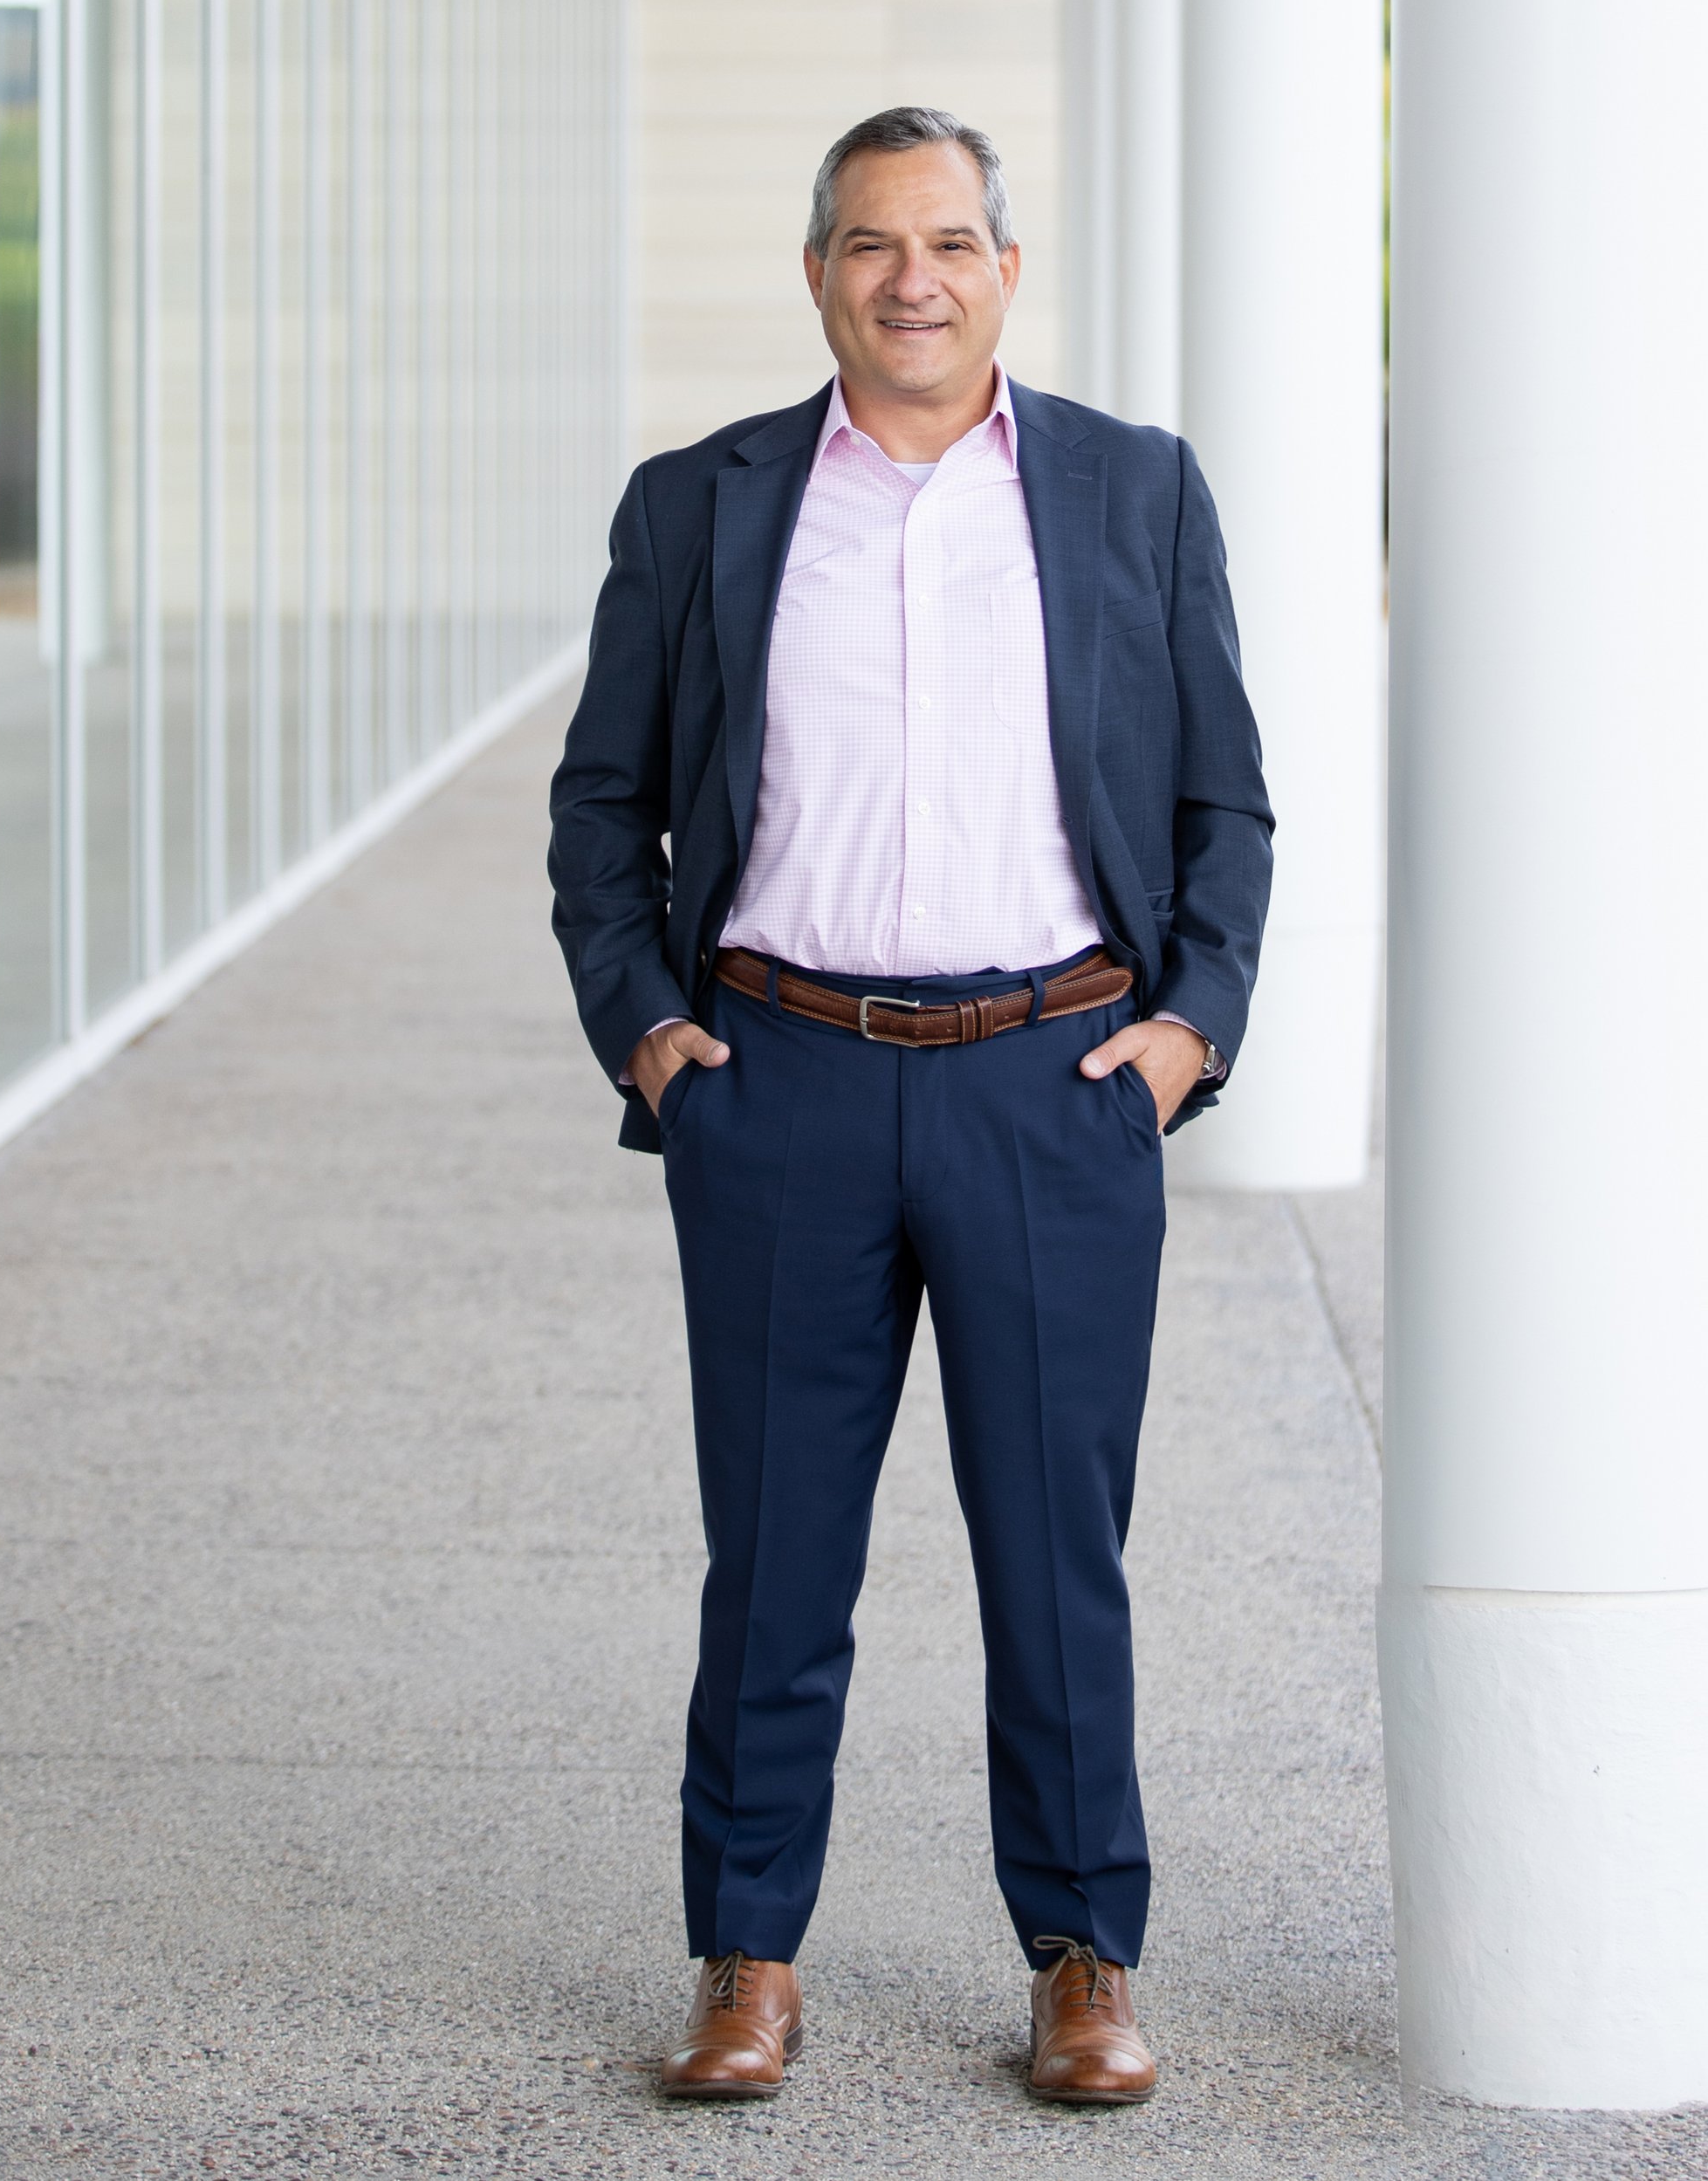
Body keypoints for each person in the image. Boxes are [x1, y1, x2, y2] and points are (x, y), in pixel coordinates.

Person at [548, 105, 1272, 2106]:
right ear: (815, 274)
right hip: (775, 1084)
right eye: (871, 244)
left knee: (1055, 1559)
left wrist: (1188, 1033)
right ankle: (745, 1957)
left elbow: (1221, 800)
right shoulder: (698, 506)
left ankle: (1081, 1957)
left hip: (1053, 1084)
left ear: (1004, 271)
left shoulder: (1133, 492)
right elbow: (604, 806)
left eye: (948, 243)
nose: (911, 280)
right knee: (773, 1561)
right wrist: (648, 1031)